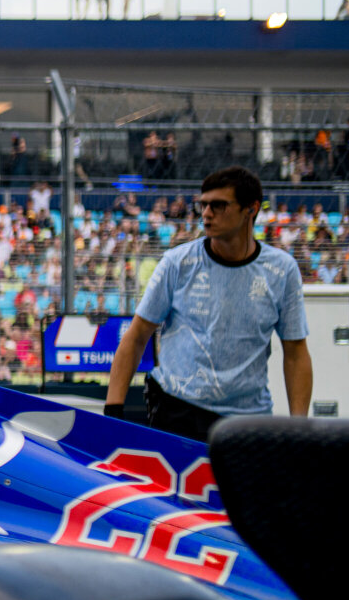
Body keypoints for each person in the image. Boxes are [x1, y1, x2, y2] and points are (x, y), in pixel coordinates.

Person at [104, 167, 311, 441]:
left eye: (218, 205)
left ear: (251, 209)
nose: (206, 213)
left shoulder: (282, 270)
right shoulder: (177, 263)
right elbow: (136, 337)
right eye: (203, 205)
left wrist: (300, 430)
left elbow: (295, 352)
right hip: (177, 411)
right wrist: (113, 411)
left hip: (249, 420)